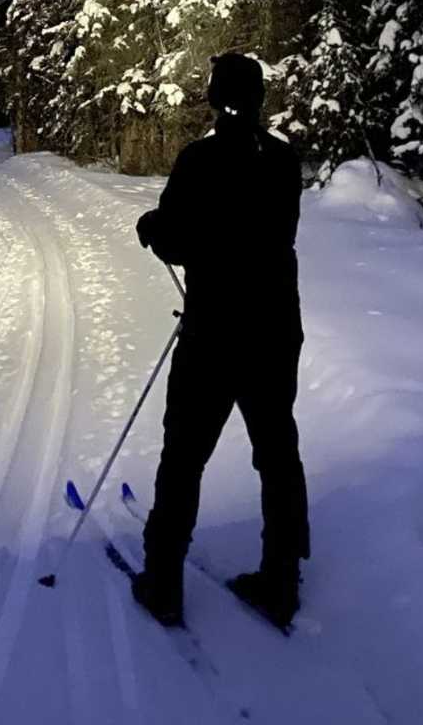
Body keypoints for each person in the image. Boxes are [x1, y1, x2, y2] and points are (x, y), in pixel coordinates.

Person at [132, 51, 310, 632]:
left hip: (214, 334)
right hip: (276, 331)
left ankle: (162, 583)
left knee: (183, 454)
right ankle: (281, 582)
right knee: (277, 452)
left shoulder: (199, 160)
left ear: (214, 98)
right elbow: (262, 231)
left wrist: (153, 229)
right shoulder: (284, 161)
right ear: (259, 101)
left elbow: (178, 239)